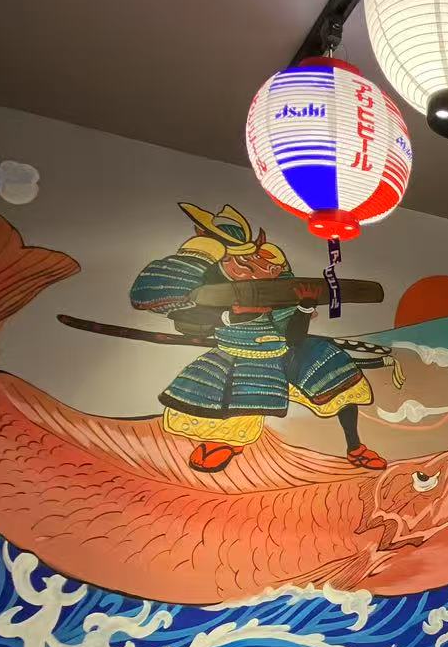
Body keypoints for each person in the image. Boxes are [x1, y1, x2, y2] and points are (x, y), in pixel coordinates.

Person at [129, 202, 384, 473]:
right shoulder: (207, 280)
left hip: (285, 350)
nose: (255, 269)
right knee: (230, 396)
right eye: (242, 262)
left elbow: (293, 336)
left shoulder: (276, 279)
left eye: (261, 263)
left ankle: (355, 445)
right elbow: (157, 301)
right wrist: (205, 255)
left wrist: (304, 307)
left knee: (336, 374)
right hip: (237, 352)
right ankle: (226, 443)